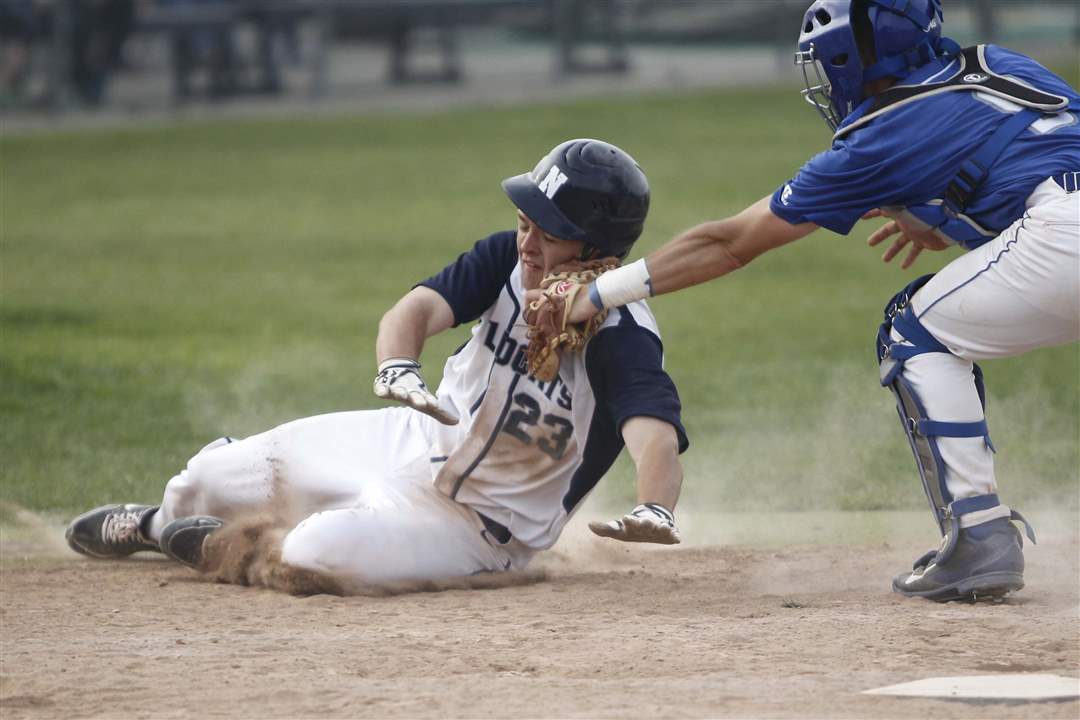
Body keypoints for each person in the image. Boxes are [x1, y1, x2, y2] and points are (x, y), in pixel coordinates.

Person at [546, 0, 1079, 602]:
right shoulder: (999, 64)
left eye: (829, 64)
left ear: (860, 60)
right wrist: (944, 219)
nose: (825, 80)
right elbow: (1040, 162)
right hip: (1061, 227)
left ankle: (979, 536)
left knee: (915, 332)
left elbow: (730, 243)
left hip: (1065, 237)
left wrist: (595, 293)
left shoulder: (881, 133)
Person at [65, 139, 690, 586]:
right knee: (203, 479)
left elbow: (654, 434)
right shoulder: (506, 259)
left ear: (599, 248)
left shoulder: (621, 332)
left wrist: (655, 506)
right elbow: (415, 310)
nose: (528, 243)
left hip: (479, 526)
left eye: (548, 233)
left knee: (316, 553)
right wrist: (398, 365)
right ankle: (157, 525)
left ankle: (228, 551)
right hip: (405, 440)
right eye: (525, 222)